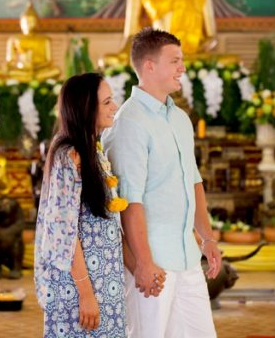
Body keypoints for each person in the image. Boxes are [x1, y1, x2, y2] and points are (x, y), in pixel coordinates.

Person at [102, 27, 222, 337]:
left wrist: (207, 238)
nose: (183, 68)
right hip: (152, 263)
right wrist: (142, 262)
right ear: (149, 66)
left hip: (186, 256)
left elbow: (193, 181)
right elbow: (129, 200)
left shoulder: (180, 118)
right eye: (175, 61)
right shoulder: (129, 122)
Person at [34, 72, 127, 337]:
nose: (115, 107)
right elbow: (64, 231)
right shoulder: (70, 155)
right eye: (107, 102)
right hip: (78, 288)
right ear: (87, 108)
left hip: (104, 280)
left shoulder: (93, 149)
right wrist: (86, 293)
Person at [0, 1, 61, 82]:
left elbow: (49, 61)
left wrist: (34, 68)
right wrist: (6, 66)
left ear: (36, 23)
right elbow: (10, 60)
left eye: (32, 21)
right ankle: (30, 78)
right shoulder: (14, 39)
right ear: (21, 23)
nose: (29, 24)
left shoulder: (44, 39)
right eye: (26, 21)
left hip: (38, 70)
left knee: (56, 71)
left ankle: (30, 77)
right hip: (21, 70)